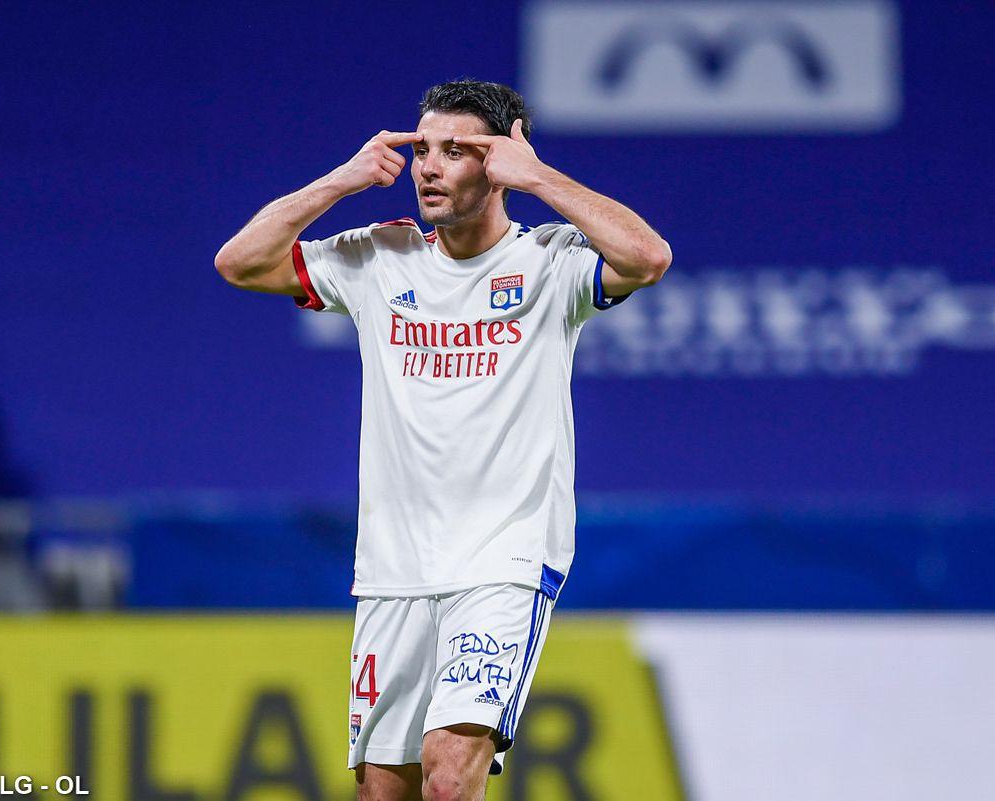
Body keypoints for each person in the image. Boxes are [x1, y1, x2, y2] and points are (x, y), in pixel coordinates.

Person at [214, 79, 671, 801]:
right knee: (383, 791)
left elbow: (647, 257)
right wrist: (342, 180)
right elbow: (238, 263)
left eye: (455, 151)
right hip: (393, 566)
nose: (428, 166)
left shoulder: (549, 263)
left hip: (503, 560)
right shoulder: (381, 258)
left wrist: (541, 176)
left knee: (449, 775)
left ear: (498, 162)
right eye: (422, 148)